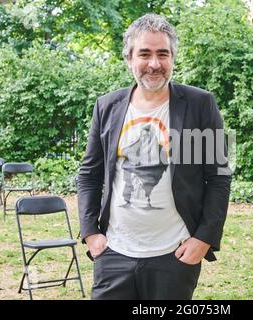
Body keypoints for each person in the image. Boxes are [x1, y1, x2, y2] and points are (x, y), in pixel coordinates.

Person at [77, 13, 232, 300]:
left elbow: (219, 177)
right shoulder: (107, 106)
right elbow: (89, 174)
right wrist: (90, 233)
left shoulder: (200, 104)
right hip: (113, 253)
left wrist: (204, 239)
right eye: (144, 54)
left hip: (174, 255)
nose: (154, 64)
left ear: (173, 58)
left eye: (163, 54)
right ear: (129, 59)